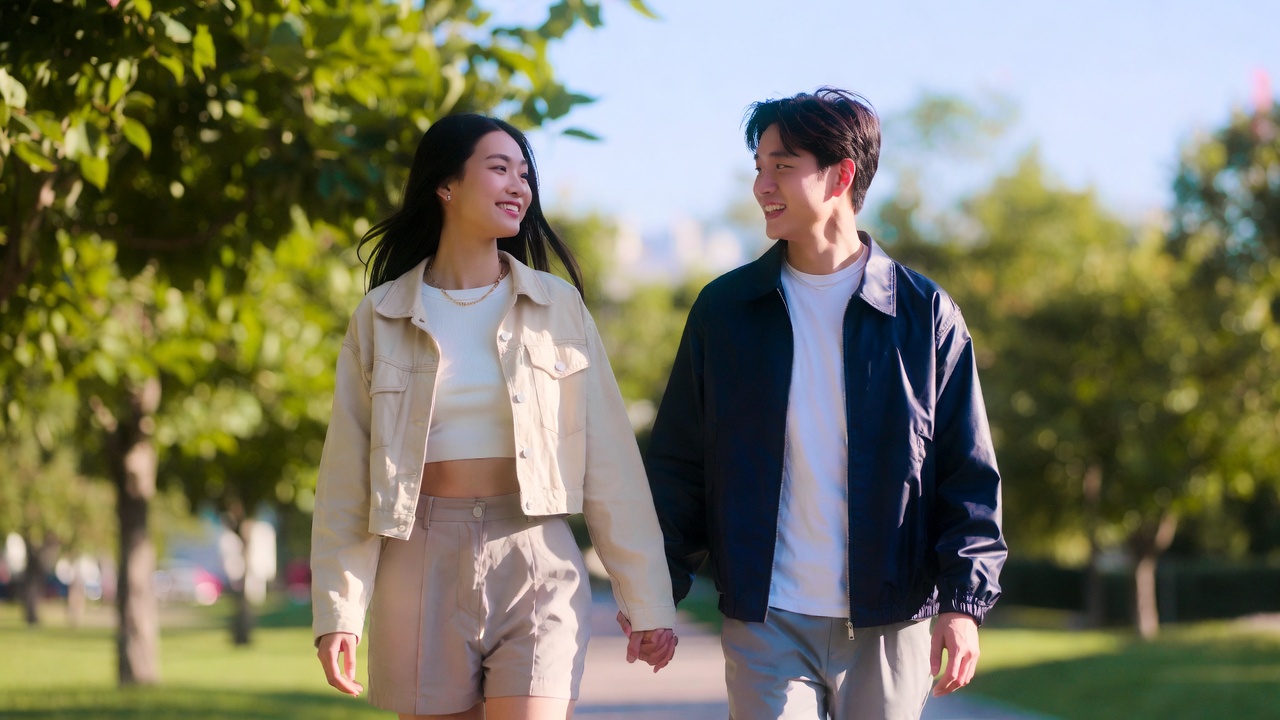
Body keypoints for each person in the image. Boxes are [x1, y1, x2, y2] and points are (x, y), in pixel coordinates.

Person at [641, 88, 1006, 720]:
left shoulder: (924, 315)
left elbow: (966, 470)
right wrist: (653, 592)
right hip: (767, 615)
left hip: (891, 619)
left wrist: (963, 603)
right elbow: (679, 462)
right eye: (758, 167)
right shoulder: (725, 312)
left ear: (840, 175)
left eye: (781, 166)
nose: (761, 185)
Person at [311, 113, 677, 720]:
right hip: (419, 563)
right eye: (499, 167)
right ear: (446, 185)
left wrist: (649, 601)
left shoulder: (557, 306)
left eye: (526, 174)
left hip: (535, 554)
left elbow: (612, 462)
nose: (520, 186)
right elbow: (346, 479)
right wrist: (338, 613)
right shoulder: (380, 316)